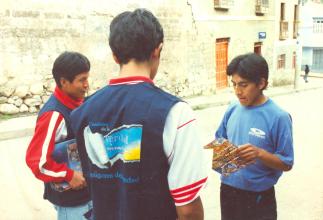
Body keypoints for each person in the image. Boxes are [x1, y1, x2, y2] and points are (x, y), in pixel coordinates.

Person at [70, 8, 208, 220]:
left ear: (115, 56)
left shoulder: (82, 112)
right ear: (157, 50)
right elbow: (188, 209)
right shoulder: (176, 113)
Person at [215, 53, 294, 220]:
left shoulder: (279, 117)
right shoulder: (233, 108)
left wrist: (259, 154)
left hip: (259, 196)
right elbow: (219, 140)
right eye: (234, 84)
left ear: (261, 83)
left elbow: (287, 163)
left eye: (243, 85)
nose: (237, 91)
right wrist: (224, 156)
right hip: (228, 190)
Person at [26, 51, 92, 220]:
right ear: (64, 82)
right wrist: (68, 175)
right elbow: (36, 161)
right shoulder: (53, 116)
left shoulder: (81, 103)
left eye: (87, 78)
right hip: (72, 204)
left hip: (88, 195)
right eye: (81, 80)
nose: (87, 85)